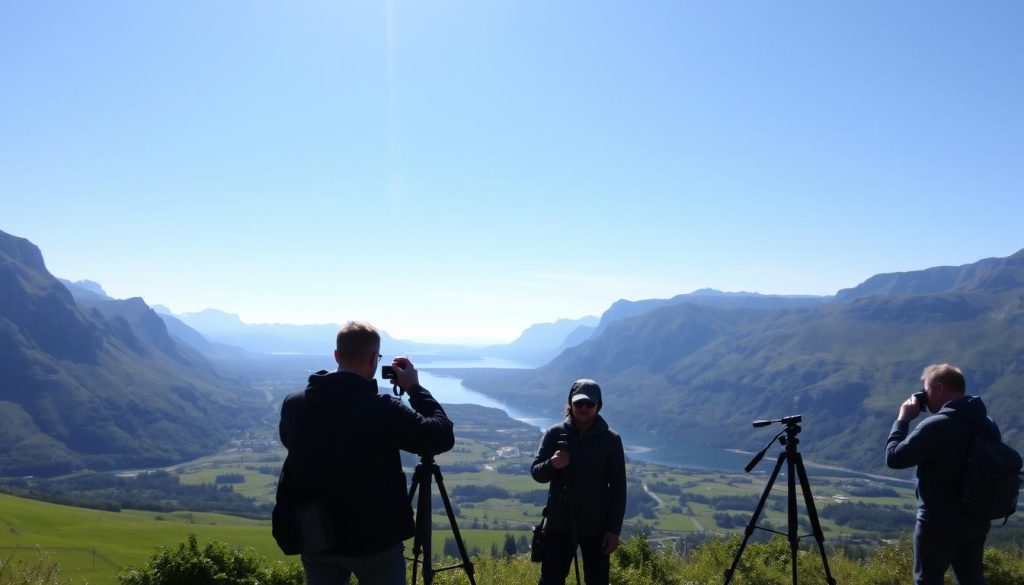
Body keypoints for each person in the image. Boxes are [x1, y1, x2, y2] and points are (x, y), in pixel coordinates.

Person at [273, 321, 455, 585]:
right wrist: (415, 388)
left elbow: (290, 442)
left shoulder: (295, 404)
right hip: (375, 539)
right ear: (373, 358)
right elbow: (441, 435)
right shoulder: (382, 409)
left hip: (316, 533)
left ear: (336, 356)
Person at [885, 363, 995, 585]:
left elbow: (894, 458)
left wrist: (903, 420)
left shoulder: (935, 426)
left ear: (939, 389)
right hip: (976, 519)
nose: (923, 395)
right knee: (972, 580)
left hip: (937, 522)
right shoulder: (987, 424)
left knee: (928, 580)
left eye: (925, 389)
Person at [531, 379, 627, 585]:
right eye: (578, 403)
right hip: (559, 525)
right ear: (570, 404)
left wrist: (614, 530)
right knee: (551, 581)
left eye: (589, 404)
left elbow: (619, 488)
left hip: (597, 528)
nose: (583, 408)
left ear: (598, 406)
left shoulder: (611, 440)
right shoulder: (555, 434)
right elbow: (537, 473)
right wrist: (553, 463)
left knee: (597, 581)